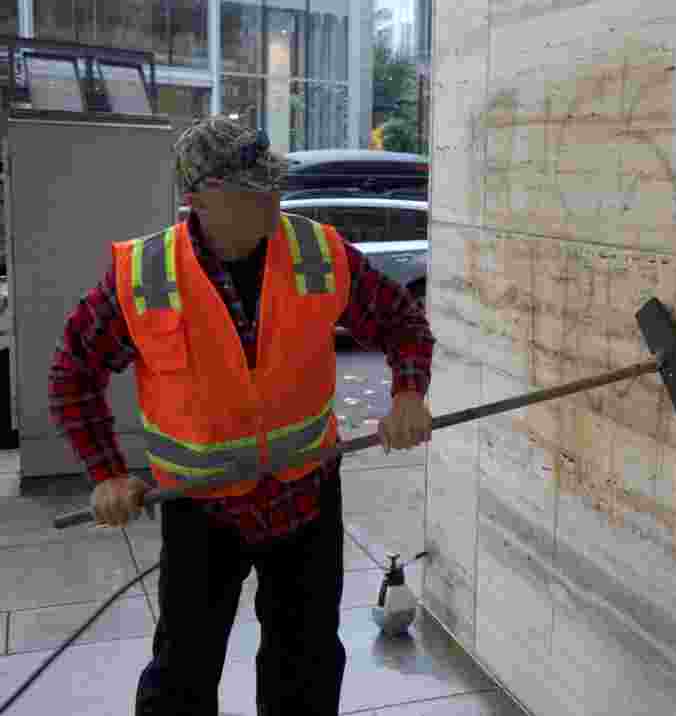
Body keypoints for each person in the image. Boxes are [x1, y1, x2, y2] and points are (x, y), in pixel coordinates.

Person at [47, 115, 436, 716]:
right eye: (250, 188)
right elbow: (73, 373)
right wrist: (107, 473)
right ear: (198, 197)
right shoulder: (148, 275)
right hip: (200, 510)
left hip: (305, 499)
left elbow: (401, 322)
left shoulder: (317, 253)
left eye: (272, 183)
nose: (270, 199)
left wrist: (408, 394)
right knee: (183, 671)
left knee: (304, 667)